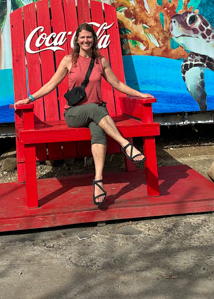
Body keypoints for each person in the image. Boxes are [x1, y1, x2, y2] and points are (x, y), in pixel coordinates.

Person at [14, 22, 154, 206]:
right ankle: (125, 144)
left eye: (89, 37)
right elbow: (51, 84)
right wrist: (29, 99)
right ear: (77, 41)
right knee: (95, 109)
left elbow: (118, 84)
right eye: (82, 37)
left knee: (98, 132)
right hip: (74, 114)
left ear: (94, 39)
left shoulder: (100, 61)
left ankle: (98, 181)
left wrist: (140, 94)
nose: (86, 40)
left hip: (97, 115)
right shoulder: (68, 61)